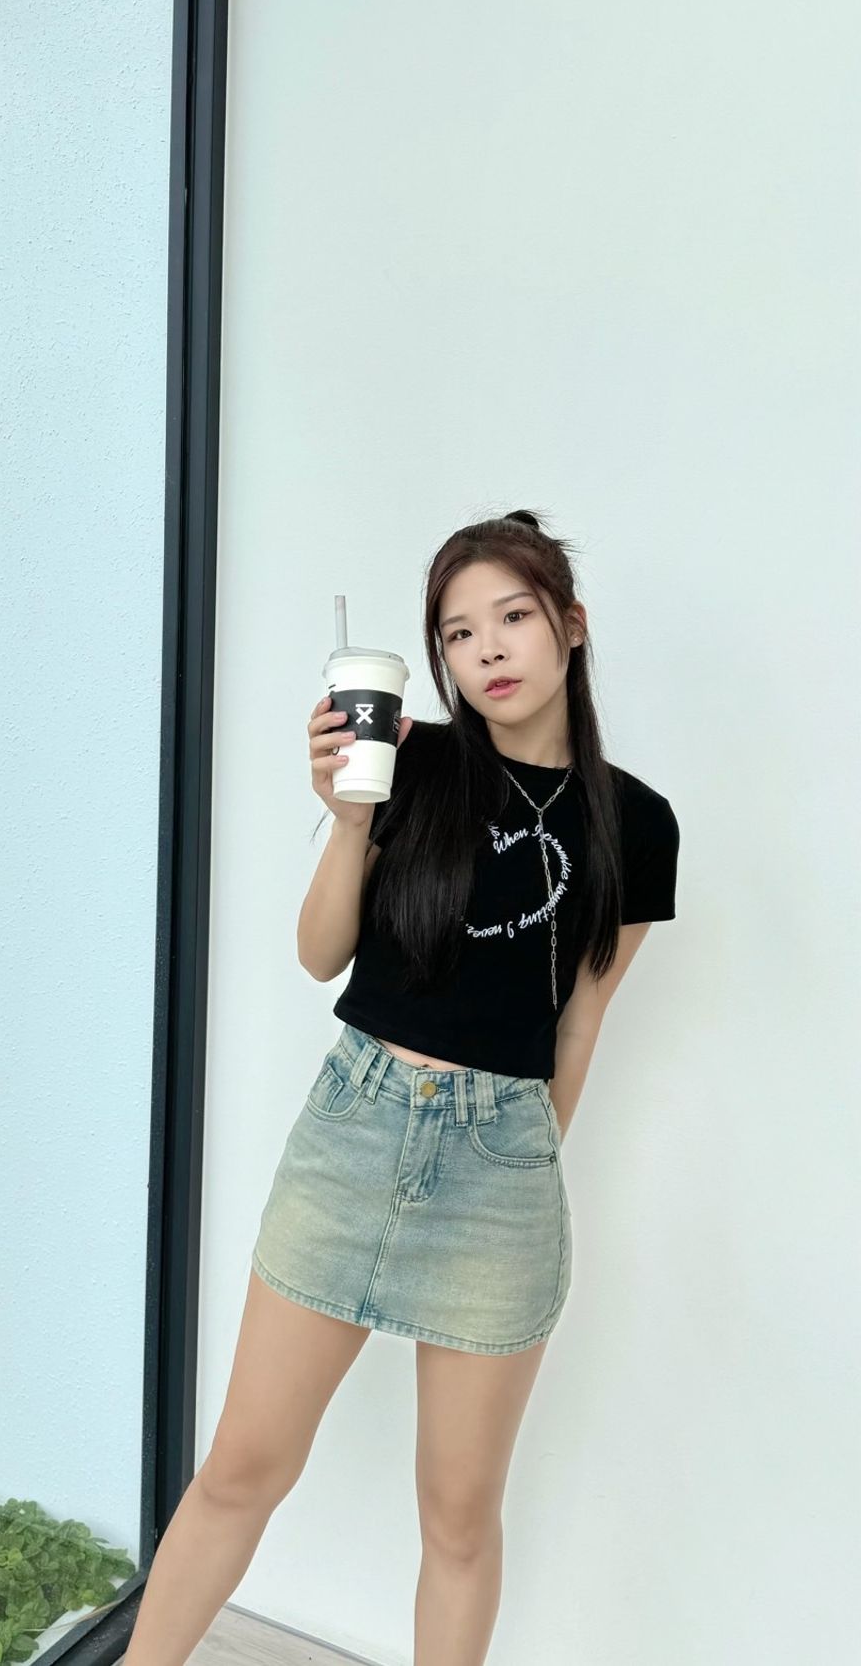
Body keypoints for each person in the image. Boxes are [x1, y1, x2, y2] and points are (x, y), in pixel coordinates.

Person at [125, 509, 680, 1666]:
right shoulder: (410, 763)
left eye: (513, 615)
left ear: (571, 625)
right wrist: (348, 819)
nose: (488, 649)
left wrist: (522, 1154)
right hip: (354, 1129)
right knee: (240, 1466)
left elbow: (581, 1019)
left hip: (501, 1170)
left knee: (459, 1517)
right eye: (458, 632)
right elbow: (317, 952)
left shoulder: (638, 823)